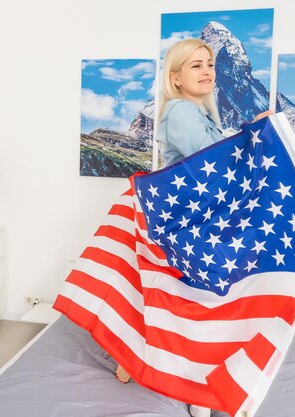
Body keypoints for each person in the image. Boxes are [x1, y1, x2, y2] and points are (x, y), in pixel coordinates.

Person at [115, 38, 273, 417]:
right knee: (194, 297)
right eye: (196, 66)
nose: (207, 72)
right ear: (176, 77)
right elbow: (215, 163)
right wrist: (255, 132)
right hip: (186, 226)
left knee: (179, 295)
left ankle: (143, 359)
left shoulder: (200, 113)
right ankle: (194, 387)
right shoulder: (183, 112)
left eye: (210, 64)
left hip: (196, 223)